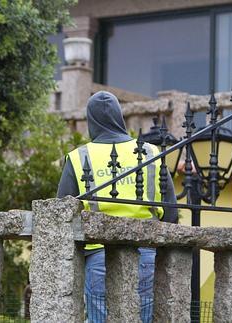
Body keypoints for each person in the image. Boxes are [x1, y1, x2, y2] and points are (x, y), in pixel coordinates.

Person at [57, 91, 178, 323]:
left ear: (91, 121)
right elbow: (171, 212)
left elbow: (62, 215)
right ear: (120, 118)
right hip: (146, 255)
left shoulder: (79, 157)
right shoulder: (151, 153)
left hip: (98, 257)